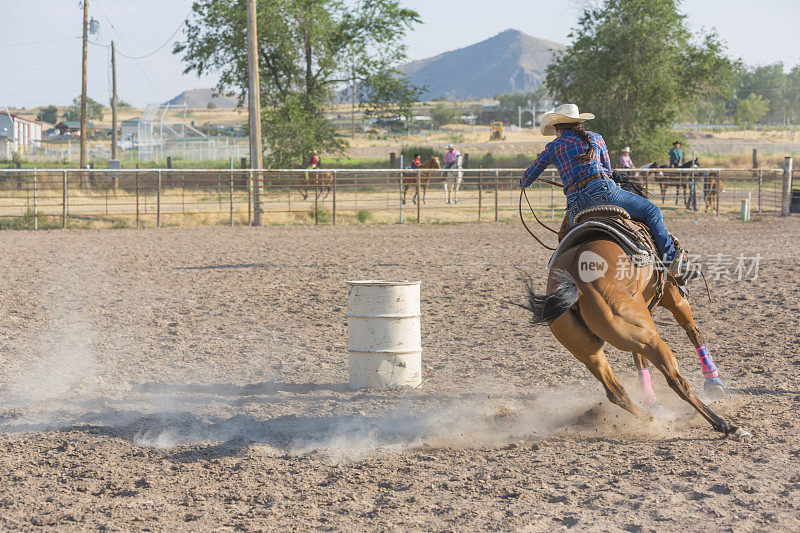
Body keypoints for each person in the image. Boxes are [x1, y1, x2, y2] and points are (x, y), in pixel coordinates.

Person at [520, 103, 695, 283]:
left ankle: (560, 270)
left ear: (558, 129)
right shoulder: (596, 138)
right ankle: (672, 263)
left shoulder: (554, 146)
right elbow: (608, 172)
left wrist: (523, 182)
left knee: (567, 242)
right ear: (579, 123)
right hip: (604, 192)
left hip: (576, 204)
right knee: (652, 212)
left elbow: (528, 177)